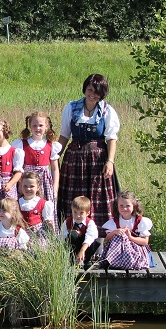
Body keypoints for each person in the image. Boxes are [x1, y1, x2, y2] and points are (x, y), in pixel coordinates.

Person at [57, 73, 120, 228]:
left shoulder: (107, 110)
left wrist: (110, 161)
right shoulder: (72, 107)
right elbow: (64, 135)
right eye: (90, 90)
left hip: (97, 161)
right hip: (74, 160)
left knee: (98, 197)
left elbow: (111, 138)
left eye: (97, 92)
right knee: (73, 196)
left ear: (103, 93)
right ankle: (70, 235)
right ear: (85, 89)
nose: (93, 94)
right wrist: (54, 157)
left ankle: (98, 240)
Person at [13, 111, 61, 221]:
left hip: (44, 181)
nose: (37, 128)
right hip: (27, 181)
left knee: (44, 206)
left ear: (46, 126)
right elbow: (18, 167)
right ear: (30, 126)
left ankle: (48, 233)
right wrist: (20, 184)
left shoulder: (51, 145)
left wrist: (55, 187)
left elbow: (55, 169)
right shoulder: (21, 144)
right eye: (34, 125)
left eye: (41, 125)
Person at [94, 191, 153, 270]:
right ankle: (110, 261)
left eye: (127, 206)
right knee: (118, 237)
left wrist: (130, 237)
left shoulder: (140, 221)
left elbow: (145, 242)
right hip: (119, 251)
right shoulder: (115, 221)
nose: (124, 208)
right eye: (121, 206)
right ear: (117, 206)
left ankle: (125, 262)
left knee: (124, 238)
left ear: (134, 206)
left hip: (135, 249)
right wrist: (115, 232)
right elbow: (107, 239)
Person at [60, 195, 100, 267]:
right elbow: (62, 237)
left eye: (81, 213)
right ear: (71, 210)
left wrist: (82, 251)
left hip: (85, 249)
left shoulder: (90, 223)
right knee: (73, 235)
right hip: (73, 248)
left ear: (87, 213)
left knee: (94, 242)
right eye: (75, 212)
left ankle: (86, 260)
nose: (78, 216)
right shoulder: (67, 222)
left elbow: (90, 236)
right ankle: (71, 260)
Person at [18, 171, 56, 239]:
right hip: (21, 235)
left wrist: (52, 238)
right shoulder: (16, 203)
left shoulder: (43, 203)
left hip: (37, 236)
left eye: (31, 186)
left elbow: (48, 222)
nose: (28, 189)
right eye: (25, 186)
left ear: (38, 187)